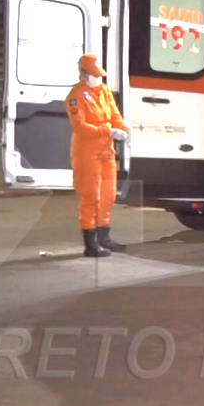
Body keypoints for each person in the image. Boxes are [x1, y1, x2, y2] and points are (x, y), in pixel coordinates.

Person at [65, 54, 129, 258]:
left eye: (99, 75)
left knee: (107, 196)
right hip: (87, 153)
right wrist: (108, 131)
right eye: (93, 75)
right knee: (90, 197)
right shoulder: (75, 96)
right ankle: (90, 244)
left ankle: (104, 237)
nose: (97, 79)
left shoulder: (104, 92)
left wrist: (124, 130)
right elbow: (80, 127)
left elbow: (114, 116)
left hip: (106, 152)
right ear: (83, 74)